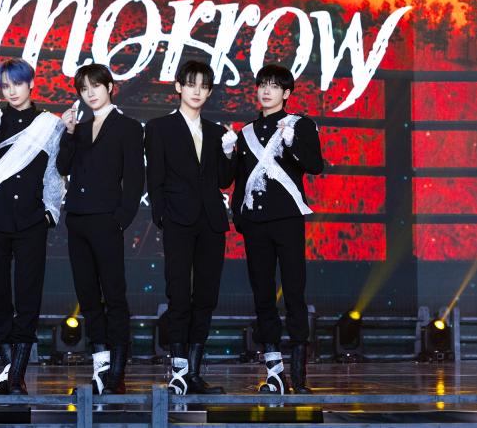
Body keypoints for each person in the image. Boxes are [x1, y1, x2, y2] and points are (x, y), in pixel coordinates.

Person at [0, 58, 64, 395]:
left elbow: (54, 173)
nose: (12, 92)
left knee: (27, 295)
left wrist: (50, 213)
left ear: (31, 84)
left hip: (30, 221)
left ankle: (17, 375)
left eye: (17, 84)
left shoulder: (49, 124)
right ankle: (10, 371)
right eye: (5, 86)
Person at [229, 64, 324, 395]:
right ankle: (274, 374)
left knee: (295, 295)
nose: (266, 91)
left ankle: (298, 375)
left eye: (274, 86)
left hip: (288, 220)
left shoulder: (300, 125)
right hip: (254, 223)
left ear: (286, 93)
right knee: (263, 298)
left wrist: (291, 141)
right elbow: (240, 180)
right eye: (262, 85)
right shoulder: (246, 132)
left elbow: (316, 165)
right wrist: (239, 217)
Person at [144, 60, 236, 395]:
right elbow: (154, 177)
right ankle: (179, 372)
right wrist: (162, 216)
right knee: (179, 293)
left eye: (204, 86)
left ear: (209, 92)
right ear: (179, 87)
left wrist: (229, 152)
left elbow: (224, 181)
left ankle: (194, 373)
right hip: (178, 220)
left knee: (206, 297)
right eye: (191, 84)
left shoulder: (217, 131)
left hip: (212, 221)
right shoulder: (159, 127)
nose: (197, 91)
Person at [56, 64, 145, 395]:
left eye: (95, 86)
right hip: (77, 220)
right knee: (88, 299)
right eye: (83, 89)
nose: (90, 93)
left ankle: (117, 374)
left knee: (114, 297)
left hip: (107, 220)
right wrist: (67, 133)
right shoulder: (78, 130)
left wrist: (120, 218)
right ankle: (100, 370)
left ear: (110, 87)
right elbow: (62, 166)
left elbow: (135, 179)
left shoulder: (128, 127)